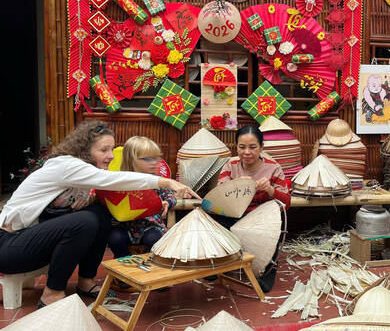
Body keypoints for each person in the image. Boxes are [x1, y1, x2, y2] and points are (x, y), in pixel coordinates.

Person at [0, 121, 198, 307]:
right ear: (84, 150)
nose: (111, 156)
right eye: (103, 150)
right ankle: (52, 293)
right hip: (8, 246)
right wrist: (166, 182)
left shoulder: (85, 171)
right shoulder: (67, 166)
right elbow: (114, 180)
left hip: (32, 242)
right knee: (85, 220)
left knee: (99, 212)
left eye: (112, 149)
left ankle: (86, 281)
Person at [214, 125, 290, 292]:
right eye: (242, 147)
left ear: (262, 147)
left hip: (261, 217)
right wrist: (238, 184)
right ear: (236, 147)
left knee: (276, 225)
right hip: (234, 213)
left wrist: (270, 190)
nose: (246, 152)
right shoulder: (231, 165)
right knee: (214, 221)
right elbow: (220, 195)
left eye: (253, 147)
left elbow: (286, 202)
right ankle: (216, 265)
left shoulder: (273, 168)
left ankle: (267, 272)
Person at [107, 136, 177, 259]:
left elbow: (171, 196)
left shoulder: (158, 180)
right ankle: (122, 262)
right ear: (131, 160)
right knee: (115, 239)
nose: (154, 162)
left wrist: (167, 202)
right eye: (147, 159)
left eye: (157, 158)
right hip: (123, 226)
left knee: (155, 239)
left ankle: (151, 263)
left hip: (149, 225)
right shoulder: (119, 180)